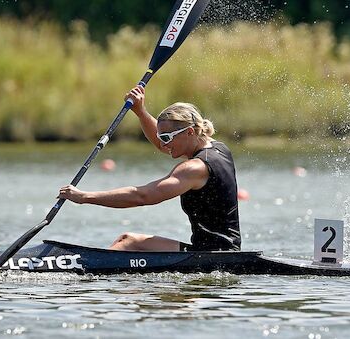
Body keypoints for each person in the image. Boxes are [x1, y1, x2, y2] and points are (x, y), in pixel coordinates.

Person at [59, 85, 240, 252]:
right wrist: (140, 112)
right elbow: (164, 145)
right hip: (220, 250)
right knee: (128, 240)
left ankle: (93, 277)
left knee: (127, 242)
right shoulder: (218, 148)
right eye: (161, 137)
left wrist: (84, 197)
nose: (162, 144)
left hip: (212, 256)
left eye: (167, 138)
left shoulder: (194, 168)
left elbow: (143, 196)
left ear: (190, 132)